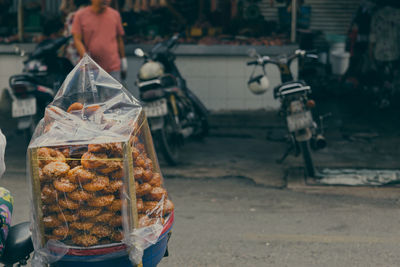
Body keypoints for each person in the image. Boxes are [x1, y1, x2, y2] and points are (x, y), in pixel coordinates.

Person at [71, 0, 127, 81]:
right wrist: (86, 57)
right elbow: (77, 39)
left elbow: (119, 39)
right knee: (91, 93)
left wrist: (123, 59)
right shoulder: (80, 15)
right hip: (90, 68)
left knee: (112, 94)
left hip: (112, 67)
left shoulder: (115, 15)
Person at [63, 0, 90, 65]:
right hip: (88, 56)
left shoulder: (72, 16)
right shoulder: (93, 16)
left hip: (73, 55)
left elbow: (66, 35)